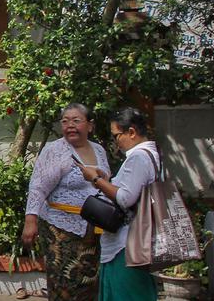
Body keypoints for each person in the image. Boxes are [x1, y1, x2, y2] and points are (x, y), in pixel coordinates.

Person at [21, 103, 111, 301]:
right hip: (61, 229)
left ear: (90, 126)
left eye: (76, 120)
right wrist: (30, 220)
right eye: (65, 121)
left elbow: (106, 182)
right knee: (65, 284)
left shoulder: (99, 150)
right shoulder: (55, 150)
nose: (70, 125)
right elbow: (38, 186)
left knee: (90, 282)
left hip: (93, 229)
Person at [77, 107, 160, 301]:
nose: (116, 142)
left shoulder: (139, 157)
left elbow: (125, 198)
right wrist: (106, 179)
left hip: (127, 245)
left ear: (131, 132)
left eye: (116, 135)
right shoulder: (152, 155)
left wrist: (96, 180)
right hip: (136, 242)